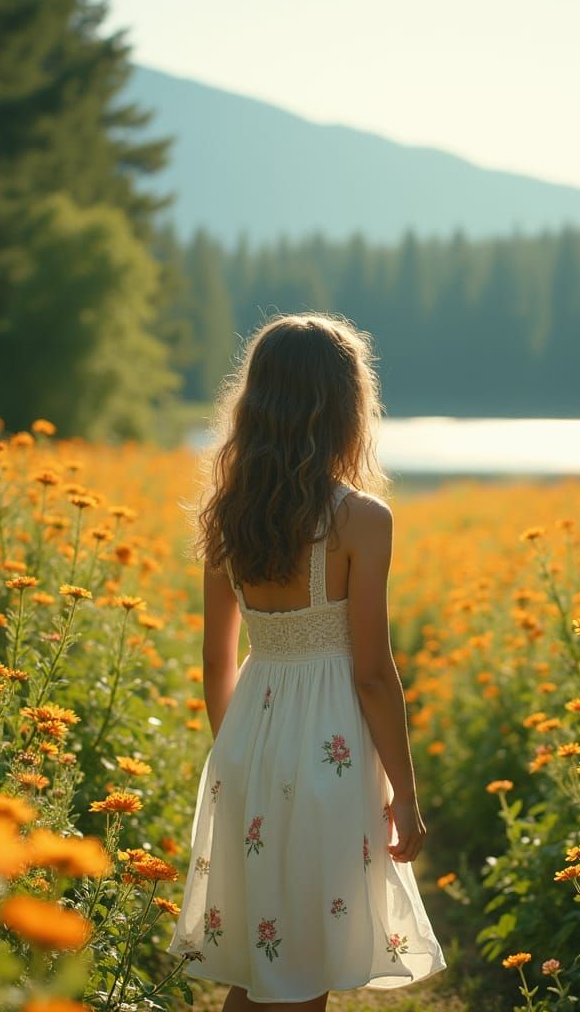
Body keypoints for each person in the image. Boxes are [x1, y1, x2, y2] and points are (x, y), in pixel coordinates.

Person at [167, 313, 446, 1009]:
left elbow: (214, 663)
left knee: (267, 963)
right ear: (346, 409)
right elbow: (373, 674)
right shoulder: (361, 519)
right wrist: (404, 797)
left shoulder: (227, 515)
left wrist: (243, 754)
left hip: (248, 746)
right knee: (302, 970)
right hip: (332, 752)